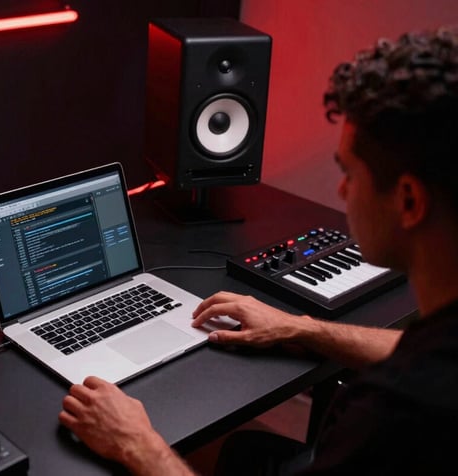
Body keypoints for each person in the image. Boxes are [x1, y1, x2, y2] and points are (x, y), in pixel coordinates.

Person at [59, 25, 458, 475]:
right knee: (242, 444)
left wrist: (138, 445)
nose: (343, 190)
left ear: (408, 200)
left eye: (350, 173)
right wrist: (299, 328)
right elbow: (418, 349)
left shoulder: (395, 417)